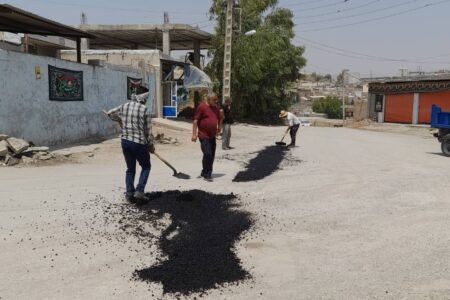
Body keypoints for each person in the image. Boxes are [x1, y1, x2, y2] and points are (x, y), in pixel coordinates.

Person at [105, 92, 154, 204]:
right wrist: (151, 145)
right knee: (146, 166)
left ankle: (129, 194)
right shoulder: (144, 109)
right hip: (138, 142)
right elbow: (148, 131)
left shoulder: (125, 106)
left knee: (130, 169)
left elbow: (110, 113)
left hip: (125, 141)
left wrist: (119, 120)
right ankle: (139, 192)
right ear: (143, 100)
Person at [192, 93, 222, 182]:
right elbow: (195, 121)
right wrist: (194, 134)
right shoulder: (202, 107)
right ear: (209, 100)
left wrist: (219, 129)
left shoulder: (216, 108)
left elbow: (220, 119)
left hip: (212, 135)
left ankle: (205, 171)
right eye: (214, 100)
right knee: (207, 153)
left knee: (211, 155)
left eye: (216, 99)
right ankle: (207, 174)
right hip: (203, 135)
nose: (216, 101)